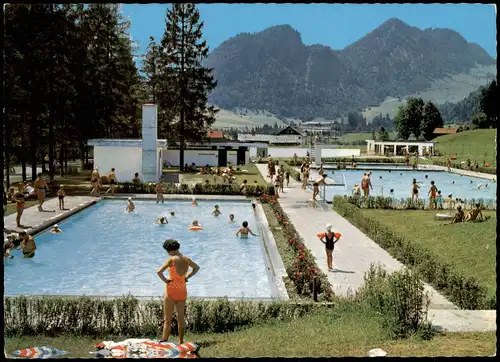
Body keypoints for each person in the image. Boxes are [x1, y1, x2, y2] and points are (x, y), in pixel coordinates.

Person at [157, 239, 200, 344]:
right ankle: (181, 341)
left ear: (169, 250)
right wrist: (187, 277)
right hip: (182, 291)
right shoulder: (187, 259)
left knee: (167, 319)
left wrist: (166, 281)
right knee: (181, 318)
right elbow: (196, 268)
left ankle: (164, 340)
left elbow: (159, 272)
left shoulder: (171, 260)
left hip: (171, 292)